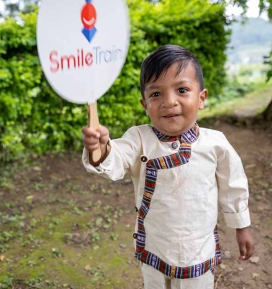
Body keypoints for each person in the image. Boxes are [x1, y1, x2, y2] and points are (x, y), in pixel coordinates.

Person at [82, 44, 254, 289]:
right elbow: (116, 158)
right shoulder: (139, 138)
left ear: (201, 98)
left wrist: (241, 226)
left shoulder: (216, 144)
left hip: (198, 249)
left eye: (182, 90)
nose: (169, 102)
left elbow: (233, 186)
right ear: (144, 104)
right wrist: (99, 148)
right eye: (156, 94)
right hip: (155, 245)